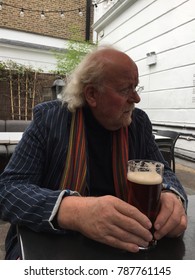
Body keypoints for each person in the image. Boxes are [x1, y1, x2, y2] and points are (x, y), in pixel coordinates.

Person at [0, 46, 187, 259]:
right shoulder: (50, 120)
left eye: (136, 88)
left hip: (126, 248)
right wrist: (76, 211)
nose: (136, 98)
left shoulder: (138, 123)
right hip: (51, 248)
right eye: (125, 89)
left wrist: (172, 196)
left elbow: (166, 173)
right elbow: (8, 191)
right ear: (91, 94)